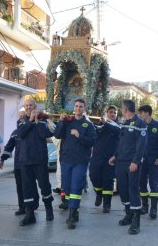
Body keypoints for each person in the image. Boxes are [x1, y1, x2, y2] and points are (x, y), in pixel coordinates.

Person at [54, 98, 97, 230]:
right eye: (76, 106)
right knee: (66, 188)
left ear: (84, 109)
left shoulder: (88, 125)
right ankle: (75, 210)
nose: (78, 109)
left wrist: (79, 136)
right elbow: (57, 134)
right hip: (66, 160)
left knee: (76, 188)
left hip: (80, 161)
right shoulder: (67, 122)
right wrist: (61, 121)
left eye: (81, 107)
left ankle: (72, 215)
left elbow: (92, 142)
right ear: (74, 108)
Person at [109, 100, 148, 235]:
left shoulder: (140, 123)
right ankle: (129, 214)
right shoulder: (124, 123)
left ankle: (136, 220)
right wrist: (115, 156)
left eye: (121, 109)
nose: (120, 111)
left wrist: (136, 162)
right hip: (120, 161)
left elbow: (142, 145)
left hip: (132, 163)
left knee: (133, 190)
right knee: (123, 189)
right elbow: (121, 143)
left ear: (125, 109)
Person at [16, 99, 54, 226]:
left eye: (30, 105)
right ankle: (30, 214)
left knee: (44, 185)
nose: (28, 107)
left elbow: (44, 134)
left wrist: (36, 121)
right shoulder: (21, 121)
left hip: (40, 160)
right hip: (25, 160)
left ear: (35, 106)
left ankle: (49, 209)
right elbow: (20, 133)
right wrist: (31, 121)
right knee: (27, 188)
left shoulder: (43, 121)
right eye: (26, 106)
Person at [1, 109, 40, 216]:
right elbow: (9, 146)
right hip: (18, 165)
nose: (21, 118)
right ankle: (22, 207)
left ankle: (33, 204)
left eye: (23, 116)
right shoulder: (15, 133)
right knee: (20, 186)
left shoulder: (33, 129)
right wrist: (2, 159)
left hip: (29, 163)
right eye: (20, 117)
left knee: (30, 185)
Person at [138, 105, 158, 219]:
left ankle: (154, 209)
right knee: (141, 183)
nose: (140, 115)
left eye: (141, 113)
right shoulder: (139, 125)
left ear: (147, 113)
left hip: (154, 161)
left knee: (153, 184)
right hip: (141, 161)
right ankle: (144, 206)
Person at [89, 105, 120, 213]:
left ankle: (107, 204)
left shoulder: (118, 126)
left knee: (108, 181)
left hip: (110, 159)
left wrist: (105, 123)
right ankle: (98, 193)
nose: (113, 114)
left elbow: (116, 131)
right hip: (96, 157)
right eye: (111, 112)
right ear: (107, 113)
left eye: (114, 112)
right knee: (94, 177)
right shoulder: (99, 125)